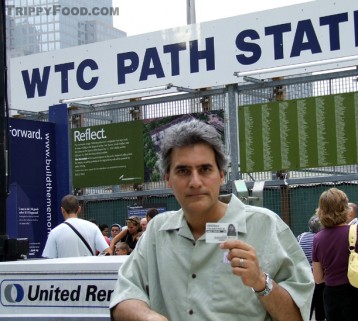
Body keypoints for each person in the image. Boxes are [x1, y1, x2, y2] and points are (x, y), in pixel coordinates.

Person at [110, 119, 314, 321]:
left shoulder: (266, 226)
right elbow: (123, 298)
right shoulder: (157, 231)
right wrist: (149, 317)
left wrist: (261, 282)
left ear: (222, 175)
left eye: (205, 169)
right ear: (168, 179)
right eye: (183, 171)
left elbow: (298, 315)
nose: (195, 182)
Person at [312, 188, 358, 321]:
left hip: (332, 296)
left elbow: (318, 277)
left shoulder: (318, 238)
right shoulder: (357, 231)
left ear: (321, 210)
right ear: (345, 208)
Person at [42, 194, 112, 258]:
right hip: (88, 270)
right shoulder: (93, 227)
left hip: (64, 271)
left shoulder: (55, 232)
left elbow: (49, 259)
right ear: (79, 209)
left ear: (62, 210)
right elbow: (108, 252)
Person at [297, 215, 325, 321]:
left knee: (307, 307)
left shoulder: (301, 236)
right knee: (320, 306)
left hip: (303, 276)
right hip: (318, 277)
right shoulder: (321, 239)